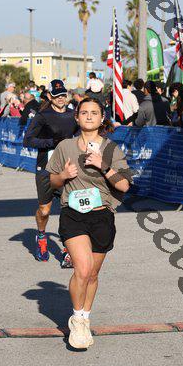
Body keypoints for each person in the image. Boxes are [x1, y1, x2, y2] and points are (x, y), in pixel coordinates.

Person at [46, 97, 132, 349]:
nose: (89, 116)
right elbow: (53, 182)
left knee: (92, 274)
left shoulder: (111, 149)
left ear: (102, 118)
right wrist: (64, 175)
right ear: (77, 117)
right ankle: (77, 319)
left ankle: (84, 317)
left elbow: (124, 186)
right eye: (84, 112)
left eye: (94, 113)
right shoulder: (65, 146)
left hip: (101, 215)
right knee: (82, 269)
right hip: (73, 214)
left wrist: (103, 165)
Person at [23, 79, 79, 266]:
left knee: (70, 208)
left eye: (63, 95)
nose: (61, 98)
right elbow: (28, 140)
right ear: (49, 96)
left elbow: (82, 133)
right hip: (46, 168)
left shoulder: (73, 115)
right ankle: (41, 237)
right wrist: (51, 142)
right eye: (56, 95)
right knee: (45, 210)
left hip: (67, 167)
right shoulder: (42, 116)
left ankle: (68, 249)